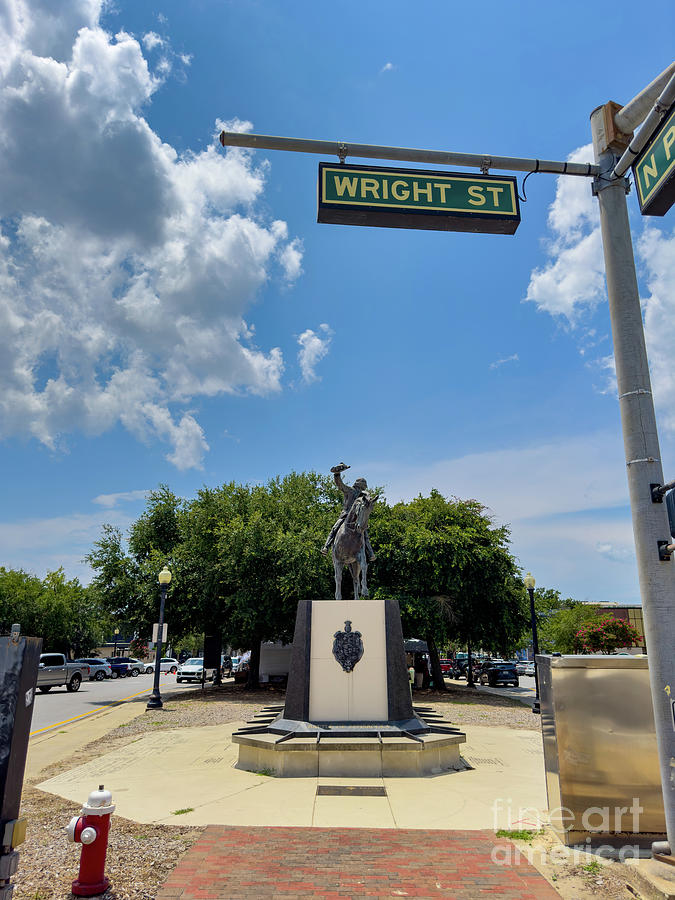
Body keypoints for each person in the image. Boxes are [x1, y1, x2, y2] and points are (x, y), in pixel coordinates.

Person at [321, 463, 376, 561]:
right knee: (335, 527)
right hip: (346, 516)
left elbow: (368, 499)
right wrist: (337, 474)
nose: (361, 489)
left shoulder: (362, 495)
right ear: (358, 485)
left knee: (364, 533)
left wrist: (369, 497)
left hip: (357, 518)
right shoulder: (349, 491)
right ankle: (326, 546)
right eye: (361, 487)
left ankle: (370, 552)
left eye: (362, 488)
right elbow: (340, 484)